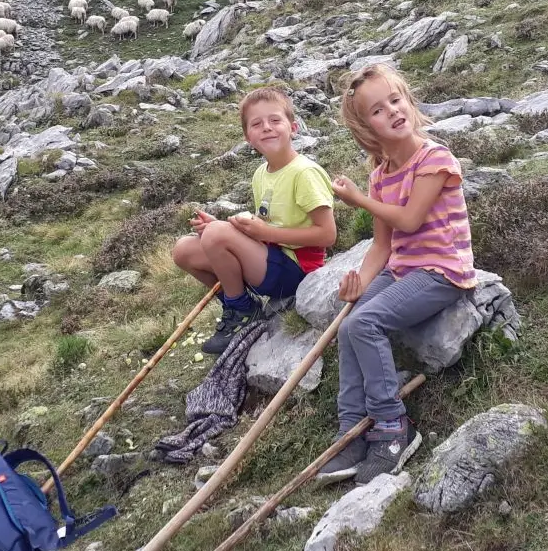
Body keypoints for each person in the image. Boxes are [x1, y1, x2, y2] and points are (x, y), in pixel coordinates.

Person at [318, 63, 475, 485]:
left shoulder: (436, 159)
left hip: (442, 271)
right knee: (351, 322)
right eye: (377, 110)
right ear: (366, 128)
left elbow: (408, 221)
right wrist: (361, 282)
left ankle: (393, 427)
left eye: (395, 99)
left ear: (408, 100)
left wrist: (358, 201)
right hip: (403, 270)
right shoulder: (379, 176)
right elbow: (382, 247)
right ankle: (352, 430)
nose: (391, 111)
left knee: (366, 323)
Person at [172, 86, 337, 354]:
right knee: (184, 250)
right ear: (249, 137)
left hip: (299, 271)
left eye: (275, 120)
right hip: (272, 258)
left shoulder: (304, 172)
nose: (267, 128)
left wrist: (260, 233)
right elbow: (267, 225)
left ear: (293, 127)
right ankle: (240, 305)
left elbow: (327, 235)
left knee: (216, 234)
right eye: (257, 124)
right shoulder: (262, 173)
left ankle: (241, 312)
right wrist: (227, 228)